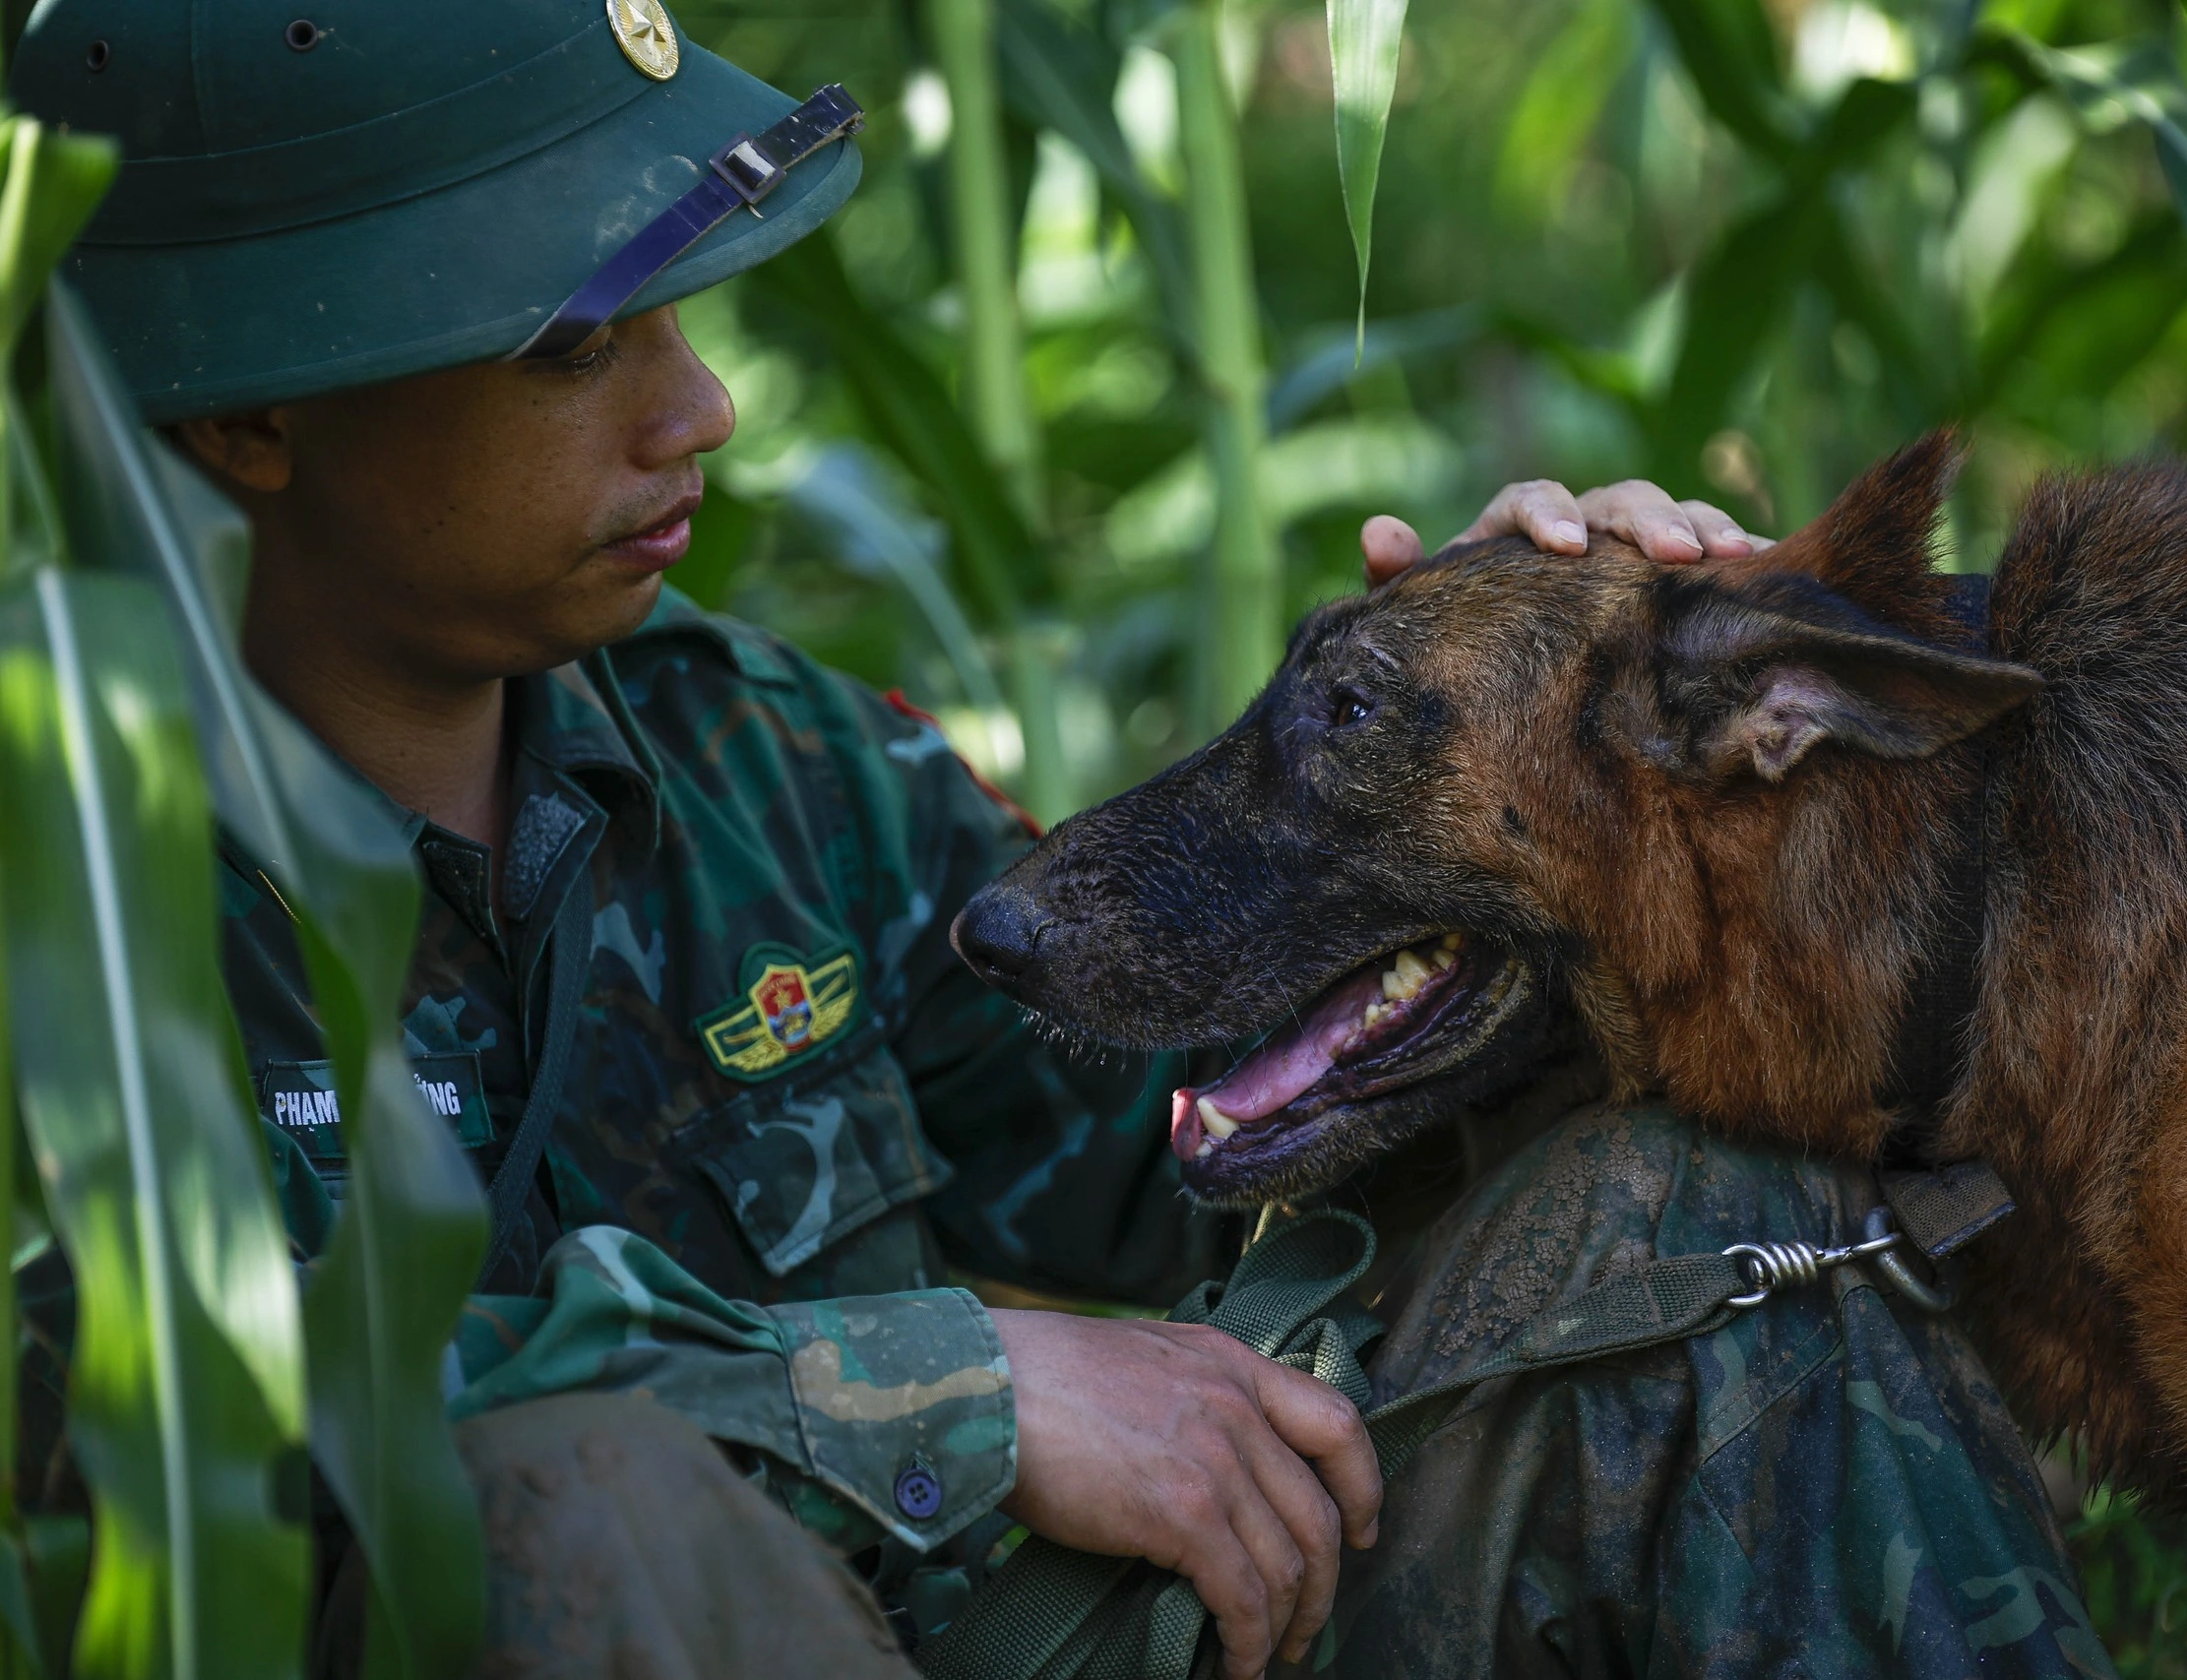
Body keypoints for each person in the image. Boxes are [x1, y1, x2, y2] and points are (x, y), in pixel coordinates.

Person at [10, 5, 1766, 1676]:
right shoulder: (62, 877)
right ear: (252, 414)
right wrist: (940, 1387)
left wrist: (1485, 738)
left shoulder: (773, 770)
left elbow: (1200, 1140)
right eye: (578, 343)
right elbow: (145, 1409)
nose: (699, 409)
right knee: (576, 1497)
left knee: (1685, 1221)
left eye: (682, 316)